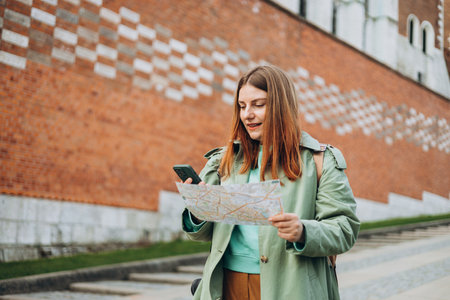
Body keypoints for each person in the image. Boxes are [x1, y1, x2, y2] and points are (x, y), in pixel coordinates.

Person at [181, 65, 360, 300]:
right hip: (226, 285)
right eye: (242, 106)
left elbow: (345, 229)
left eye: (258, 104)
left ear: (281, 106)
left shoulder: (321, 160)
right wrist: (199, 210)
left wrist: (303, 231)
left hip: (292, 288)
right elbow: (200, 235)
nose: (247, 115)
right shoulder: (222, 160)